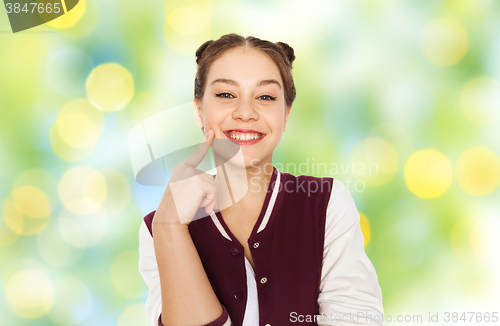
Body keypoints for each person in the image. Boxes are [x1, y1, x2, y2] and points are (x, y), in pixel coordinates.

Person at [139, 33, 385, 326]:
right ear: (199, 110)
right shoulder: (157, 228)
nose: (245, 113)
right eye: (226, 95)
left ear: (286, 115)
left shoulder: (325, 203)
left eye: (266, 97)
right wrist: (170, 227)